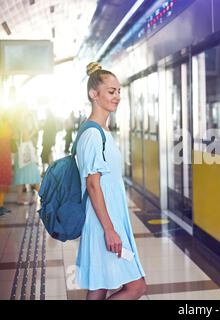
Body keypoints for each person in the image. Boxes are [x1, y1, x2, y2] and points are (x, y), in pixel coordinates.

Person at [75, 62, 146, 300]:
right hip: (103, 223)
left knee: (99, 286)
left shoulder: (102, 132)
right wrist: (109, 230)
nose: (117, 97)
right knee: (136, 287)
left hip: (108, 219)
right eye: (110, 91)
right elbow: (93, 185)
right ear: (93, 94)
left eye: (118, 91)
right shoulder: (93, 134)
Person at [12, 105, 41, 205]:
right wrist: (32, 130)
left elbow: (16, 136)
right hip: (25, 153)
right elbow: (25, 137)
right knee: (34, 174)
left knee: (20, 176)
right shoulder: (23, 122)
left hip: (20, 152)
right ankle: (43, 197)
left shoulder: (16, 122)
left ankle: (19, 198)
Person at [0, 109, 13, 215]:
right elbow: (11, 136)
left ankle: (1, 205)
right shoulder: (6, 125)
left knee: (3, 178)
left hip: (5, 152)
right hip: (3, 153)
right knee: (3, 178)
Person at [41, 108, 58, 174]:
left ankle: (46, 170)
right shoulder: (51, 120)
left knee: (44, 154)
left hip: (47, 140)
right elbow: (54, 131)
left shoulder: (49, 120)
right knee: (47, 154)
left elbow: (48, 131)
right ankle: (49, 170)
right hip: (49, 140)